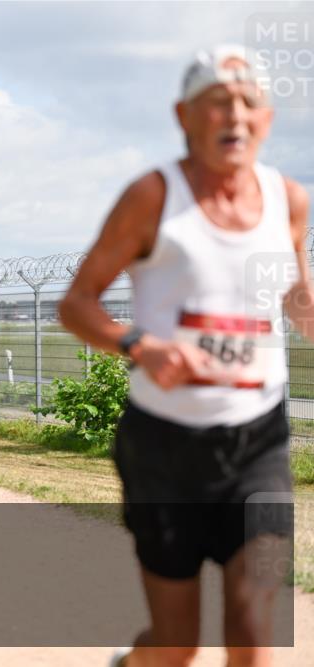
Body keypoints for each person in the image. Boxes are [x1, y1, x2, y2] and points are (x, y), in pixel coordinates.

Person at [58, 45, 308, 667]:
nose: (236, 116)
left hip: (259, 443)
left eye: (249, 103)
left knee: (255, 630)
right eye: (217, 103)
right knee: (176, 646)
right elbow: (77, 303)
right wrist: (138, 345)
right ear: (183, 116)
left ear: (268, 119)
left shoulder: (289, 202)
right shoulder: (152, 195)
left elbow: (297, 298)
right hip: (164, 449)